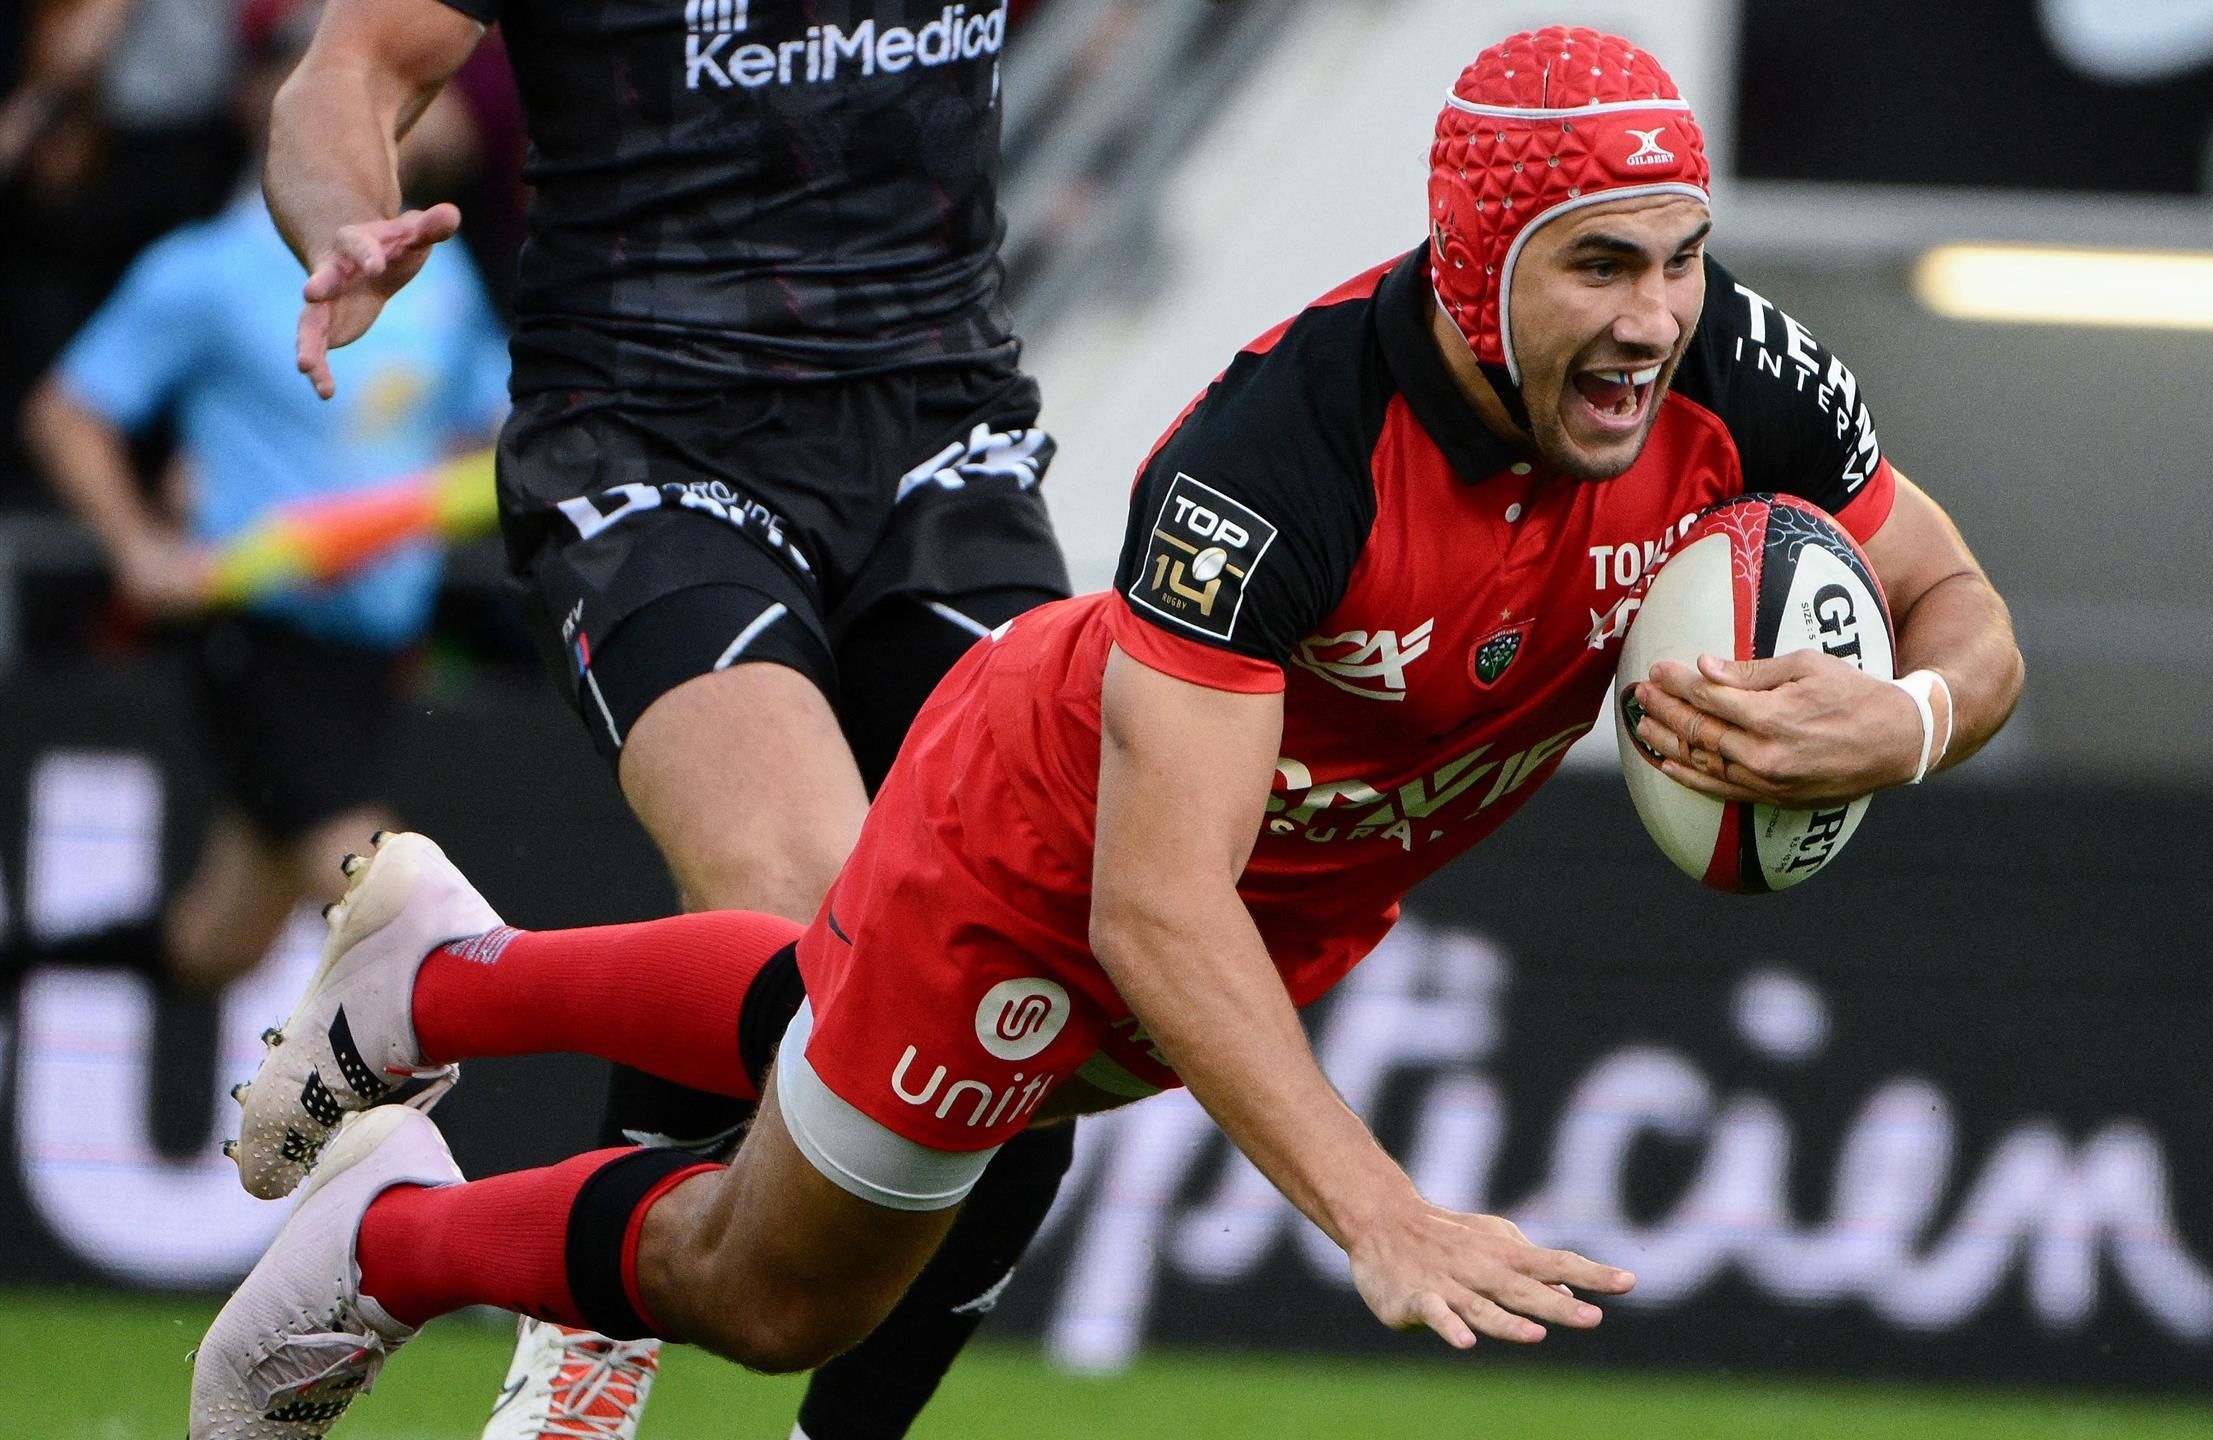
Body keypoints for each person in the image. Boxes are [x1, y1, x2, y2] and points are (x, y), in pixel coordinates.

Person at [191, 25, 2026, 1439]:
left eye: (1680, 261)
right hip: (1034, 838)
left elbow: (1966, 614)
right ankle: (396, 1246)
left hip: (1208, 796)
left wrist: (1909, 723)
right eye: (1598, 269)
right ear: (1475, 267)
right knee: (779, 1288)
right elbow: (1153, 909)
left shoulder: (1735, 372)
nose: (1652, 322)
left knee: (836, 1018)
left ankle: (444, 982)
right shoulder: (1276, 462)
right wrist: (1376, 1211)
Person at [256, 0, 1080, 1435]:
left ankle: (431, 980)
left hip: (942, 434)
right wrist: (346, 222)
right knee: (793, 902)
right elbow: (355, 66)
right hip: (648, 432)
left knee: (1046, 979)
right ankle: (584, 1329)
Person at [12, 0, 506, 1000]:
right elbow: (67, 414)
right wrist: (141, 545)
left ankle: (14, 966)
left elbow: (494, 426)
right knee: (408, 908)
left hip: (372, 648)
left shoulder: (440, 277)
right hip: (261, 627)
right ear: (269, 106)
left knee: (220, 938)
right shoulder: (204, 270)